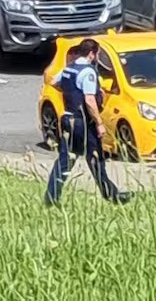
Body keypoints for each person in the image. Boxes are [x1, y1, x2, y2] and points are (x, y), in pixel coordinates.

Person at [44, 39, 130, 206]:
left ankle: (51, 197)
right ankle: (112, 196)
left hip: (68, 119)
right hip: (83, 122)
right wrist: (99, 123)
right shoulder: (87, 72)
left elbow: (54, 82)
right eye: (97, 54)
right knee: (96, 160)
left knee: (64, 160)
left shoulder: (70, 68)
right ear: (92, 54)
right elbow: (90, 100)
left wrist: (70, 93)